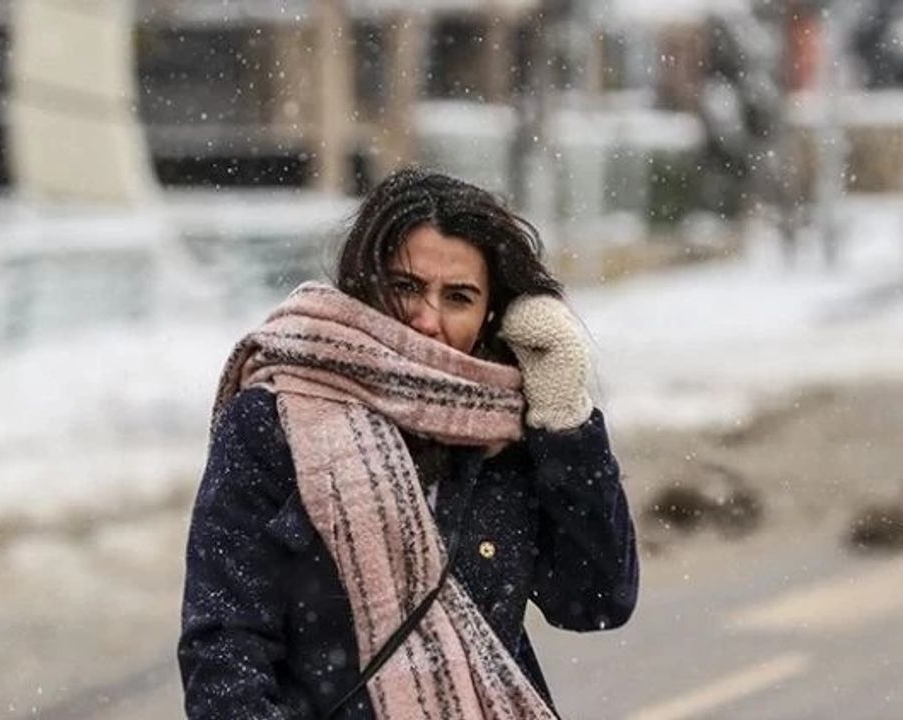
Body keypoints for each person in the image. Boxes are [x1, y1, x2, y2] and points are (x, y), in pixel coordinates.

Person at [179, 168, 639, 719]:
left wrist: (564, 418)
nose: (428, 319)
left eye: (459, 297)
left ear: (491, 314)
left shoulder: (503, 435)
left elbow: (595, 600)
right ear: (363, 285)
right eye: (405, 287)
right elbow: (224, 647)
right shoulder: (277, 416)